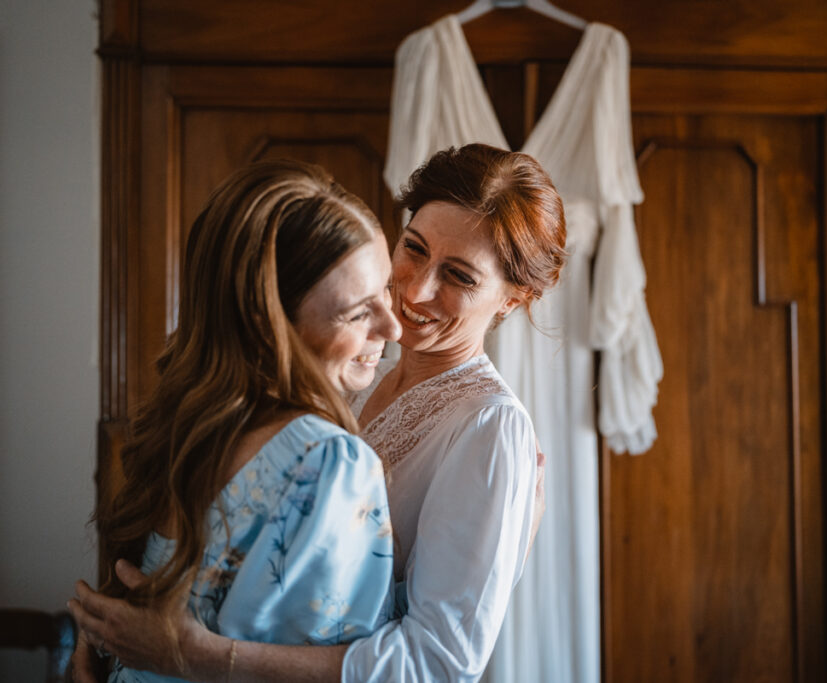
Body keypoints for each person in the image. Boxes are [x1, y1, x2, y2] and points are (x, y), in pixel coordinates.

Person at [71, 143, 566, 682]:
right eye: (414, 248)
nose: (415, 291)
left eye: (460, 276)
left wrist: (196, 655)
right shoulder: (350, 367)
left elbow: (438, 664)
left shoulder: (491, 428)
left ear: (513, 299)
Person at [68, 158, 404, 681]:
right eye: (359, 311)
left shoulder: (180, 426)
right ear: (269, 323)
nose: (394, 325)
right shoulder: (330, 462)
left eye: (386, 290)